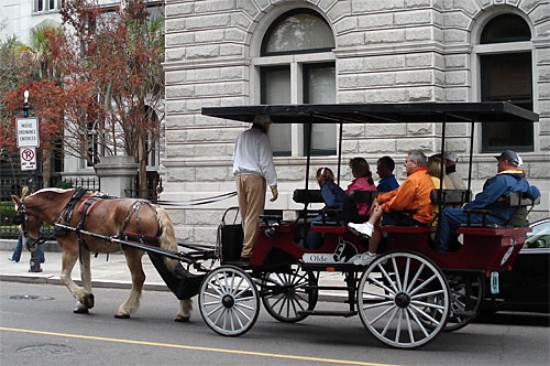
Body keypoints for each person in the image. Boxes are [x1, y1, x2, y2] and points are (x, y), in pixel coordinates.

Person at [437, 150, 540, 252]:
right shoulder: (522, 181)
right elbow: (534, 193)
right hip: (506, 218)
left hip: (493, 217)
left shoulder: (501, 180)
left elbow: (483, 201)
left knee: (446, 214)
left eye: (499, 161)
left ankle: (442, 250)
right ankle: (451, 244)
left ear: (506, 162)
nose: (497, 165)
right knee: (456, 216)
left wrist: (467, 207)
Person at [348, 150, 434, 265]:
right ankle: (368, 229)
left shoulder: (413, 180)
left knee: (379, 215)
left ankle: (371, 251)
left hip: (414, 218)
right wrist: (380, 198)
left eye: (406, 161)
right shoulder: (424, 177)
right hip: (421, 215)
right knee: (379, 208)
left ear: (415, 163)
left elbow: (398, 203)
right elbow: (397, 193)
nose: (404, 164)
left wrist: (384, 206)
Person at [232, 115, 278, 262]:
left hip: (239, 177)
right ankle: (248, 251)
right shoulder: (261, 137)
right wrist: (273, 184)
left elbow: (234, 158)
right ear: (265, 124)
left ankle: (247, 247)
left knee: (246, 215)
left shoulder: (242, 136)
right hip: (254, 178)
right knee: (254, 215)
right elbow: (266, 162)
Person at [305, 167, 347, 249]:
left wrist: (325, 210)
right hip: (344, 214)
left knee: (314, 222)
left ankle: (312, 248)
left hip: (339, 216)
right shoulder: (334, 186)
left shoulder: (326, 188)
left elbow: (331, 203)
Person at [345, 157, 377, 222]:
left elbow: (348, 201)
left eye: (352, 169)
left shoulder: (357, 185)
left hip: (358, 216)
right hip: (369, 215)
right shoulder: (369, 182)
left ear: (356, 170)